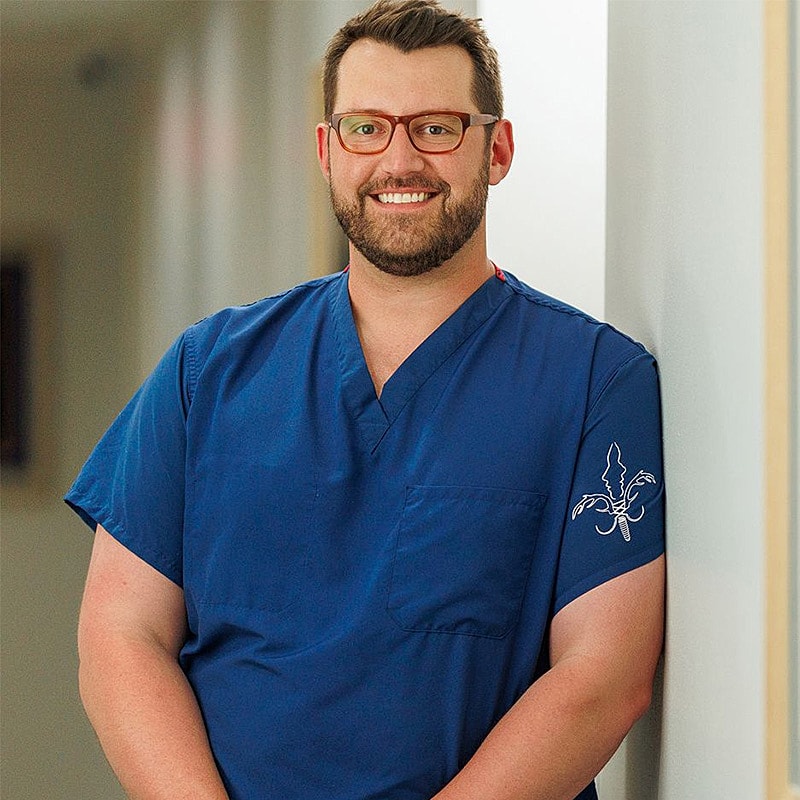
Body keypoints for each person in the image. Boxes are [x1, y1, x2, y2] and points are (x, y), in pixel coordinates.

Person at [67, 1, 666, 798]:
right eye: (366, 128)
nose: (399, 159)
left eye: (437, 128)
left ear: (497, 149)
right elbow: (121, 636)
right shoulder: (206, 373)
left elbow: (604, 677)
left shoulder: (593, 382)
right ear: (328, 150)